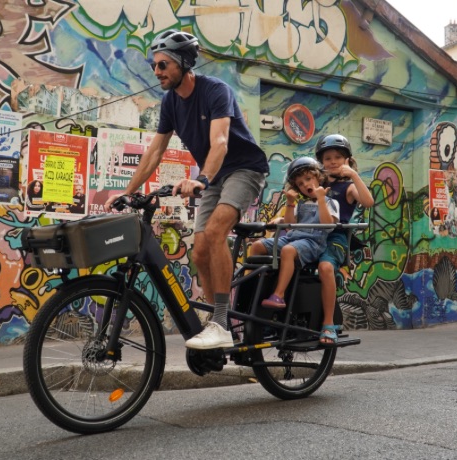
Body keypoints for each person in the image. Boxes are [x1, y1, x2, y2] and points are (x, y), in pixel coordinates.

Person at [106, 29, 268, 349]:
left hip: (244, 169)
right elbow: (154, 152)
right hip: (213, 176)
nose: (157, 72)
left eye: (163, 65)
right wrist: (127, 191)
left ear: (183, 63)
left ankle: (221, 322)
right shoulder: (170, 103)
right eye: (155, 66)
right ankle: (217, 325)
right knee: (200, 249)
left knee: (215, 232)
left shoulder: (215, 91)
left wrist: (202, 179)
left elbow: (219, 142)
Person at [250, 158, 339, 308]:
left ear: (319, 178)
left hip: (313, 243)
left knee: (288, 251)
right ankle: (256, 286)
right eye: (300, 184)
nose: (305, 185)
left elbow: (328, 225)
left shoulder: (331, 202)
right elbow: (289, 225)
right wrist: (290, 203)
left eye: (308, 179)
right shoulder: (301, 204)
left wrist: (321, 199)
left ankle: (279, 295)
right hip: (293, 239)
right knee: (257, 246)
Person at [314, 134, 374, 345]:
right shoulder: (317, 184)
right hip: (312, 235)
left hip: (336, 238)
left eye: (338, 157)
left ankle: (328, 324)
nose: (332, 161)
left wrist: (354, 176)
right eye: (328, 158)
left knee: (326, 268)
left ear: (347, 160)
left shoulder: (348, 187)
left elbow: (368, 202)